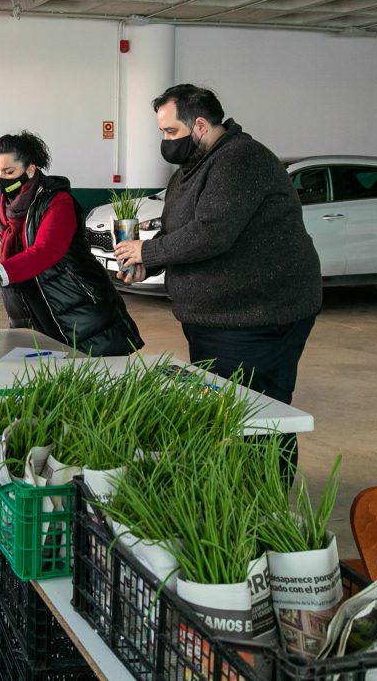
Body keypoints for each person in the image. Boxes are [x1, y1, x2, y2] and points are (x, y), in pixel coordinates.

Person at [113, 84, 322, 472]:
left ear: (201, 125)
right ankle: (232, 491)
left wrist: (151, 251)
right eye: (162, 132)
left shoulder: (241, 160)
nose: (165, 141)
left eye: (171, 131)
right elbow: (181, 229)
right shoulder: (192, 170)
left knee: (258, 418)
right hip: (217, 319)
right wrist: (150, 262)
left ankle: (263, 502)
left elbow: (212, 231)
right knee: (223, 413)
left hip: (259, 317)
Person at [0, 131, 143, 357]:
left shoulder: (57, 201)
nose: (1, 178)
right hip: (28, 314)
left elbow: (46, 251)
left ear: (30, 169)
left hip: (78, 313)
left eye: (9, 171)